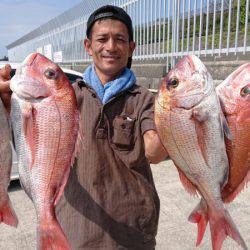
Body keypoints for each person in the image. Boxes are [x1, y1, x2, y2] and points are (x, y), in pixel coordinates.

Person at [0, 5, 168, 250]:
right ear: (88, 46)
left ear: (131, 48)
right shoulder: (67, 97)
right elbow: (24, 138)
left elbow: (155, 152)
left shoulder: (144, 99)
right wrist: (5, 106)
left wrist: (178, 117)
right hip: (72, 233)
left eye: (120, 39)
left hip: (132, 235)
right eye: (102, 39)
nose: (111, 46)